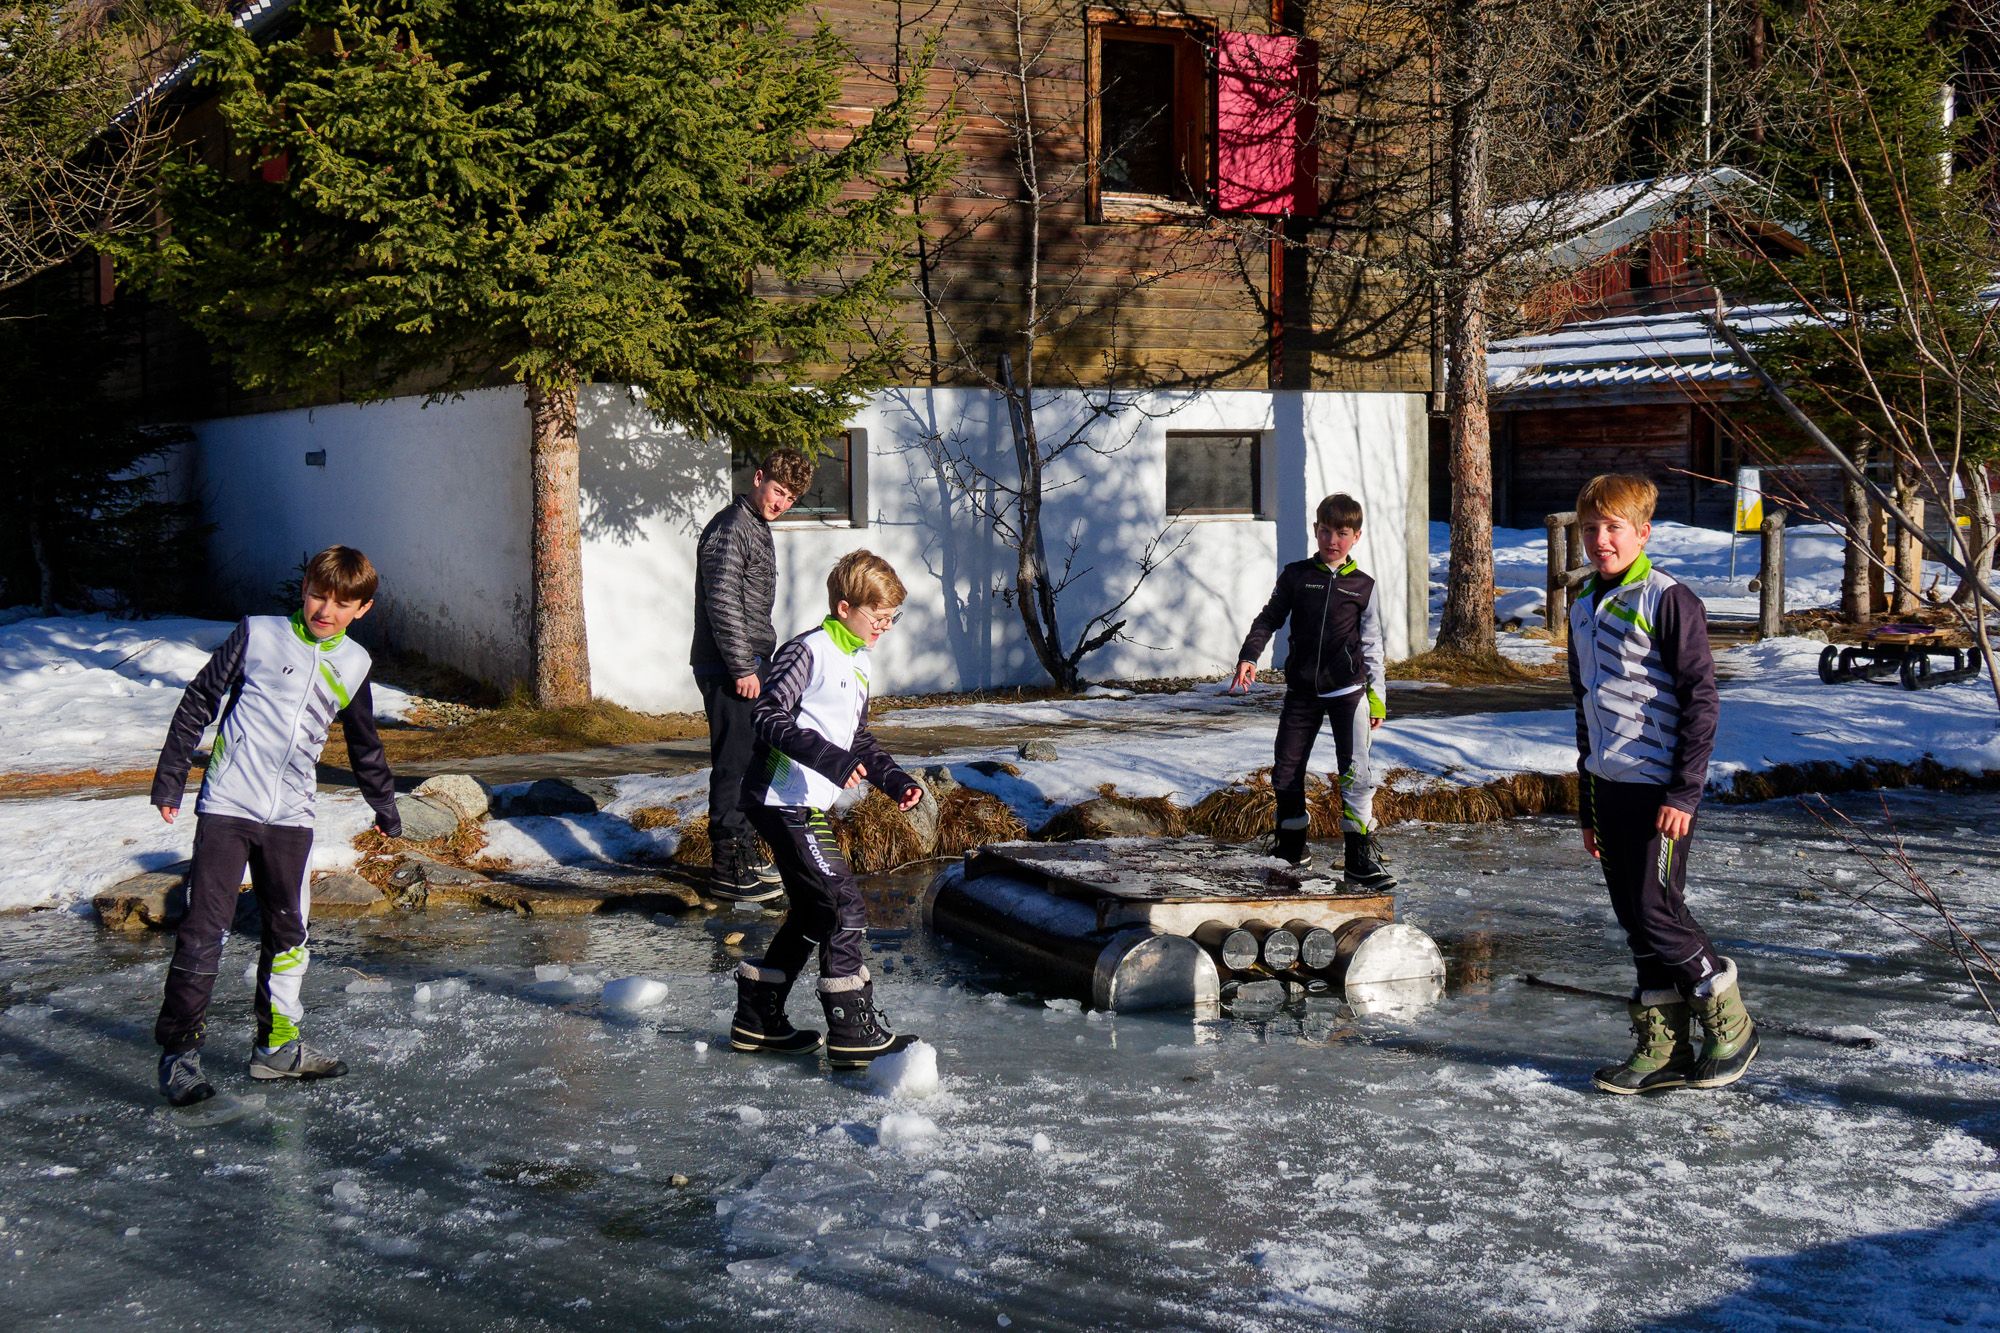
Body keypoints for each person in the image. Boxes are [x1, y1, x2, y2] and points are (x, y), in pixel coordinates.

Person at [149, 546, 403, 1107]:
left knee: (289, 934)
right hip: (229, 804)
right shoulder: (259, 634)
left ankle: (277, 1048)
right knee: (205, 931)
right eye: (317, 596)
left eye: (341, 604)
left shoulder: (354, 663)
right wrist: (170, 778)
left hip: (292, 814)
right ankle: (180, 1055)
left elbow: (364, 743)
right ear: (304, 589)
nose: (325, 611)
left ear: (362, 609)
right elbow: (199, 699)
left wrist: (384, 806)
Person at [1568, 473, 1757, 1094]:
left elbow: (1702, 700)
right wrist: (1587, 807)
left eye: (1613, 527)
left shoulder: (1668, 599)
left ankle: (1731, 1025)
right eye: (1590, 528)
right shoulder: (1582, 604)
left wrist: (1684, 792)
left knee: (1657, 909)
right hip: (1608, 785)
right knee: (1633, 916)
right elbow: (1584, 705)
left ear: (1642, 532)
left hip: (1659, 789)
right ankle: (1665, 1048)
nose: (1600, 540)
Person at [730, 550, 926, 1069]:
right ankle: (850, 1028)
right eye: (877, 617)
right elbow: (766, 715)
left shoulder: (858, 660)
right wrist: (826, 757)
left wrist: (894, 780)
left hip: (803, 801)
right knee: (843, 907)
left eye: (891, 618)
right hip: (781, 796)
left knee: (817, 911)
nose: (884, 627)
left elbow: (856, 738)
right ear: (844, 607)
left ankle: (758, 1017)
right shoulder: (807, 651)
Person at [1228, 493, 1394, 889]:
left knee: (1356, 774)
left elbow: (1372, 646)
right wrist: (1249, 655)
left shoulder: (1363, 587)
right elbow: (1269, 618)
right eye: (1326, 531)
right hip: (1302, 692)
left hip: (1348, 693)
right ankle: (1292, 849)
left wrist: (1378, 699)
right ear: (1315, 530)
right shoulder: (1297, 576)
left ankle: (1358, 859)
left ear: (1356, 536)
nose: (1332, 540)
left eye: (1342, 533)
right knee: (1285, 771)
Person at [691, 446, 819, 901]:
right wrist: (743, 666)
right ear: (759, 478)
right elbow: (722, 600)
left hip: (748, 663)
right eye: (778, 491)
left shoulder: (755, 526)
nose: (782, 503)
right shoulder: (731, 528)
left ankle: (744, 848)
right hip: (729, 666)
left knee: (752, 760)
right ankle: (727, 865)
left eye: (791, 498)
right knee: (733, 762)